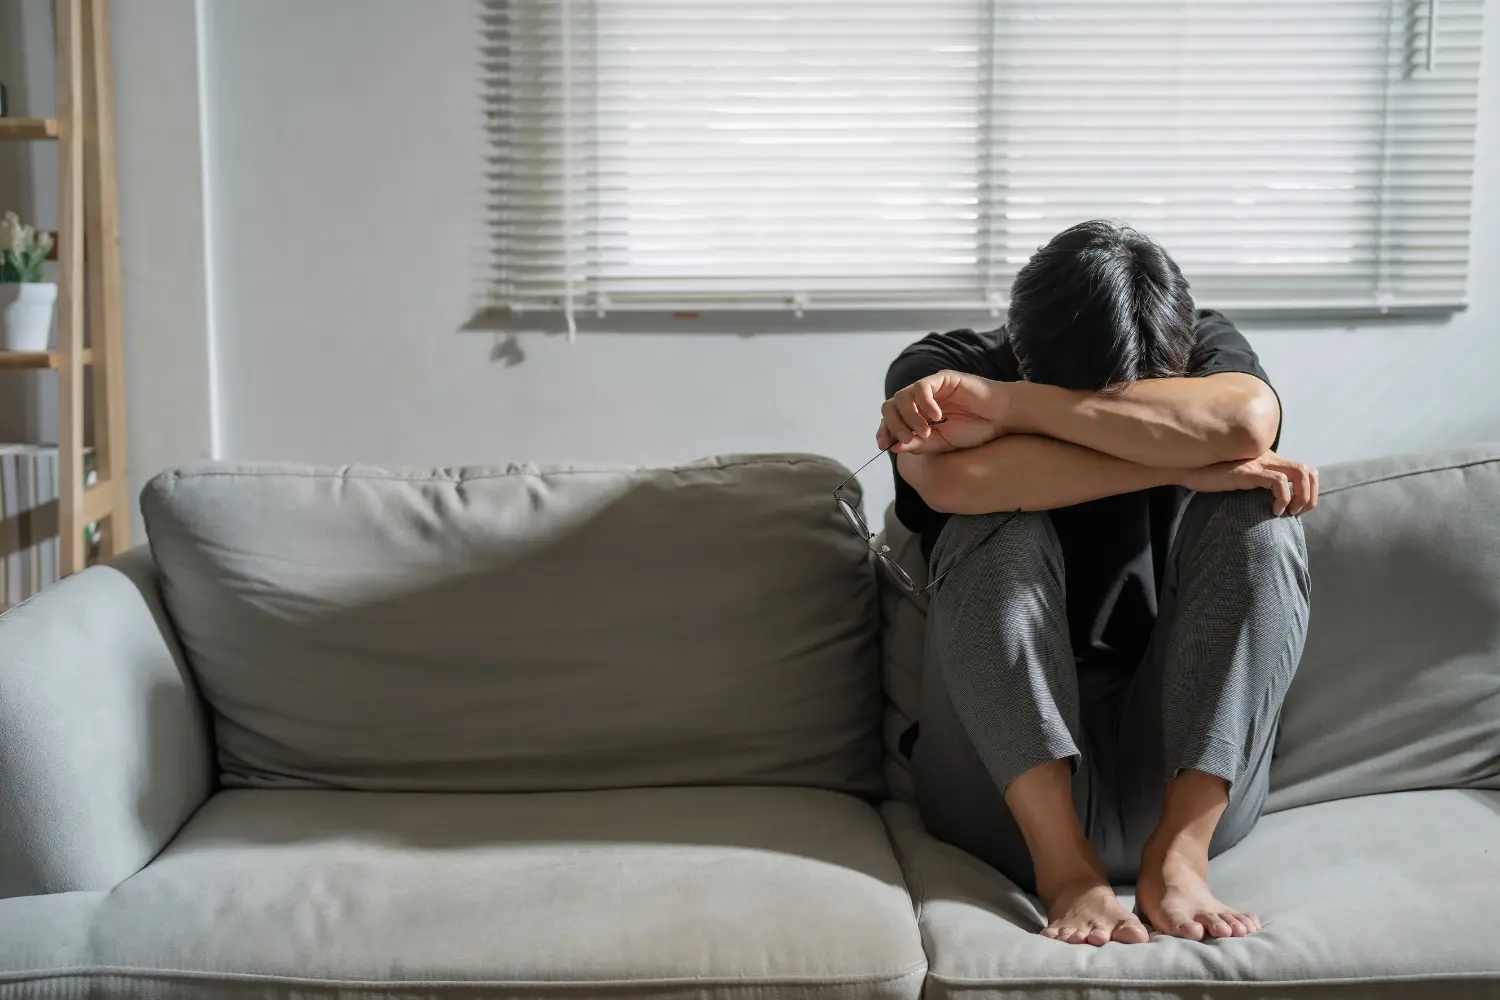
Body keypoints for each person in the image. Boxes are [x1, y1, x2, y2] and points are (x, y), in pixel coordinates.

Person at [879, 220, 1312, 947]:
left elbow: (1243, 422)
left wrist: (1015, 409)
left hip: (1183, 772)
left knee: (1258, 513)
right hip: (999, 786)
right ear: (1020, 347)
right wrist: (1179, 460)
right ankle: (1066, 873)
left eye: (1139, 399)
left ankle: (1179, 859)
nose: (1114, 409)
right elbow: (955, 483)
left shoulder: (1204, 346)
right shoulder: (941, 369)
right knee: (992, 520)